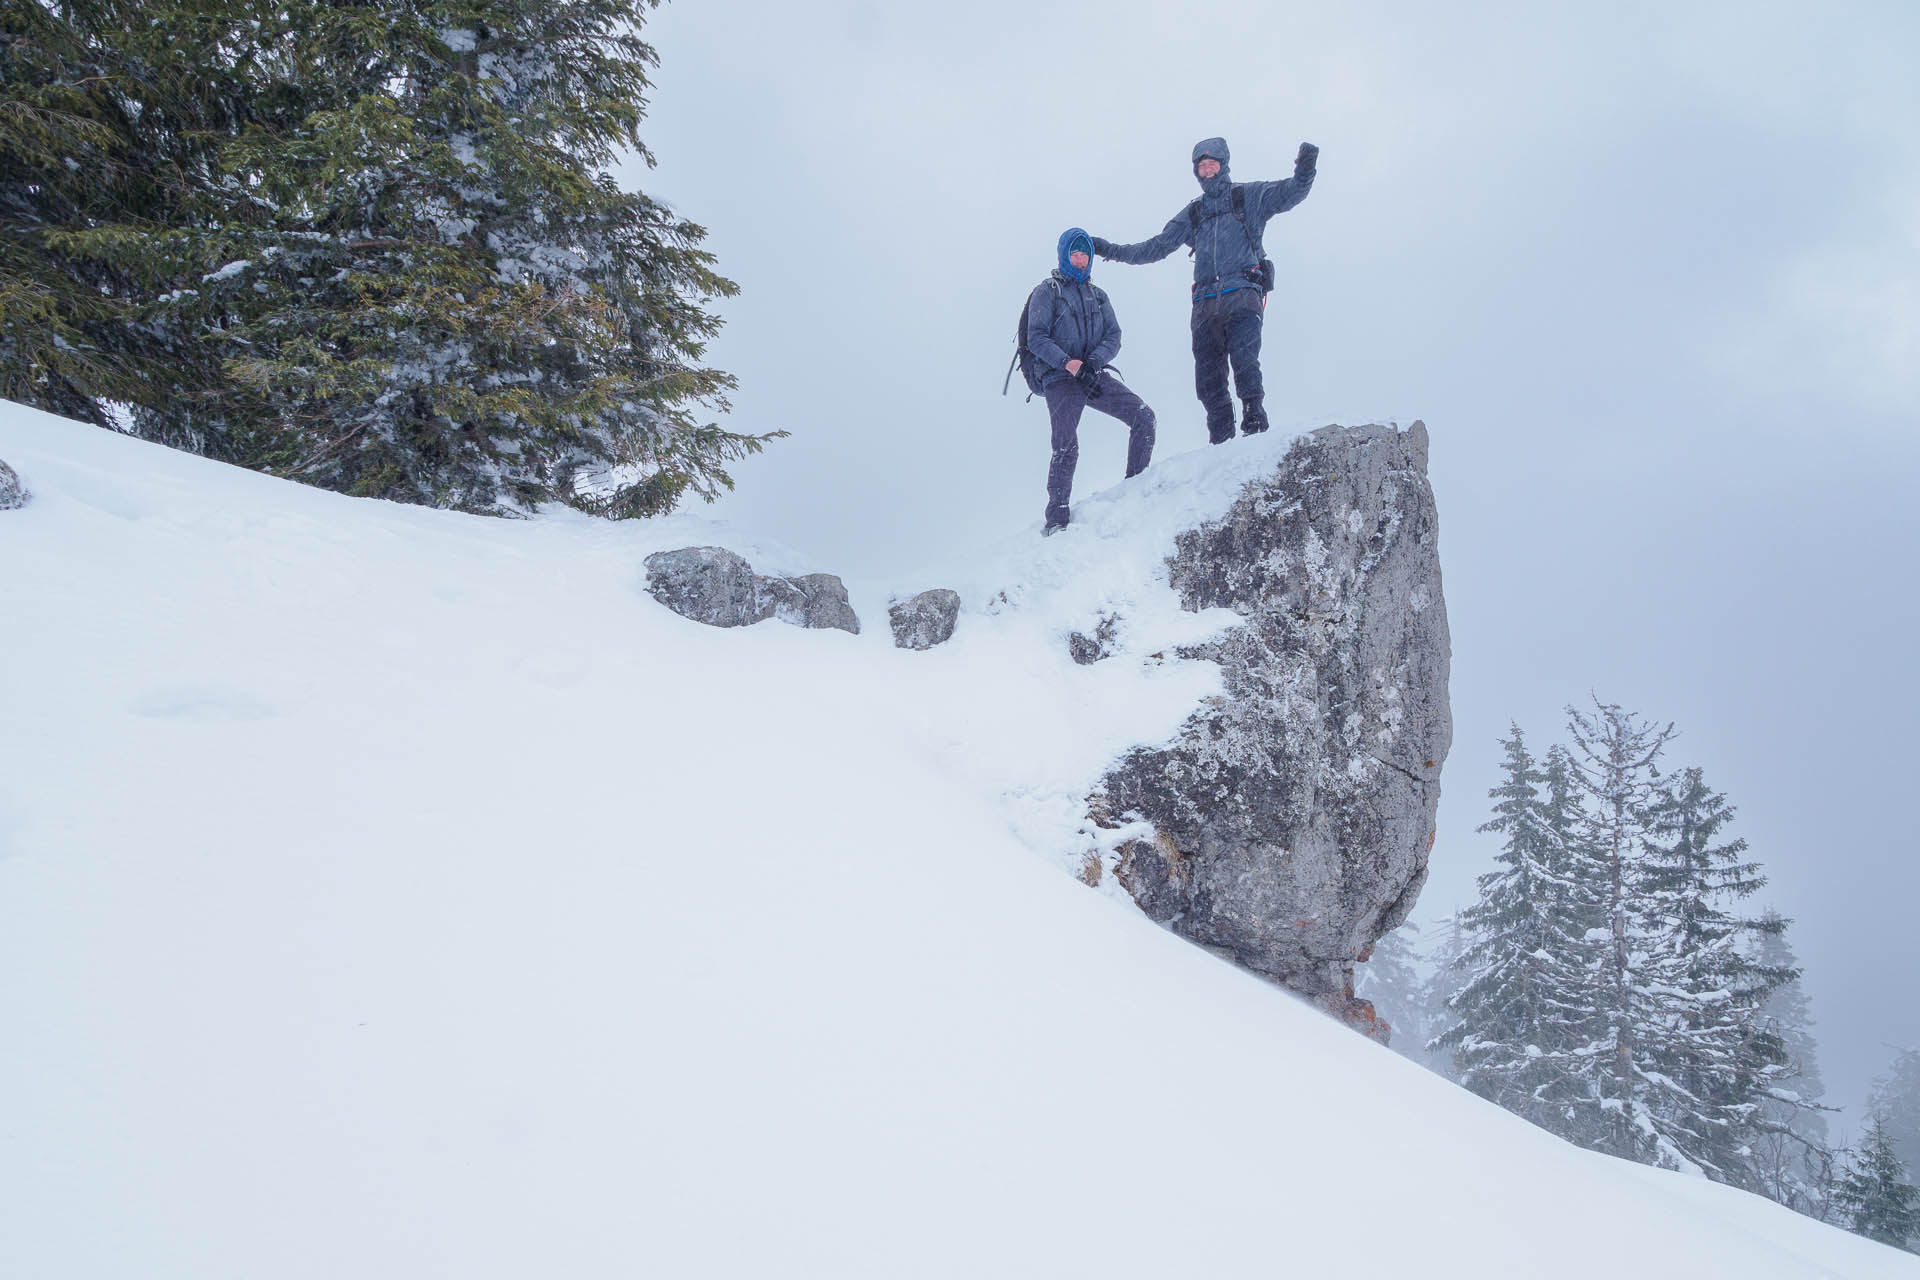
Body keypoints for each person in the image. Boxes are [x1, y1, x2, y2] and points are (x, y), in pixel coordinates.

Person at [1091, 137, 1317, 444]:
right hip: (1205, 307)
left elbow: (1292, 192)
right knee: (1208, 381)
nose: (1207, 171)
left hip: (1242, 296)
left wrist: (1305, 168)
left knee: (1245, 363)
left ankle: (1254, 424)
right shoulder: (1194, 213)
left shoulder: (1248, 196)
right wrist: (1110, 250)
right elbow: (1155, 247)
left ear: (1224, 165)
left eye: (1213, 164)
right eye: (1202, 166)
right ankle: (1221, 442)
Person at [1025, 227, 1156, 535]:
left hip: (1092, 375)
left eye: (1085, 253)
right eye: (1075, 253)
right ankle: (1056, 519)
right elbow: (1036, 337)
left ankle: (1134, 489)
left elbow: (1114, 335)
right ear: (1064, 255)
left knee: (1144, 417)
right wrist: (1068, 364)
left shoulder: (1099, 296)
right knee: (1065, 445)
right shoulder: (1048, 291)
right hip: (1060, 378)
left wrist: (1095, 362)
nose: (1081, 258)